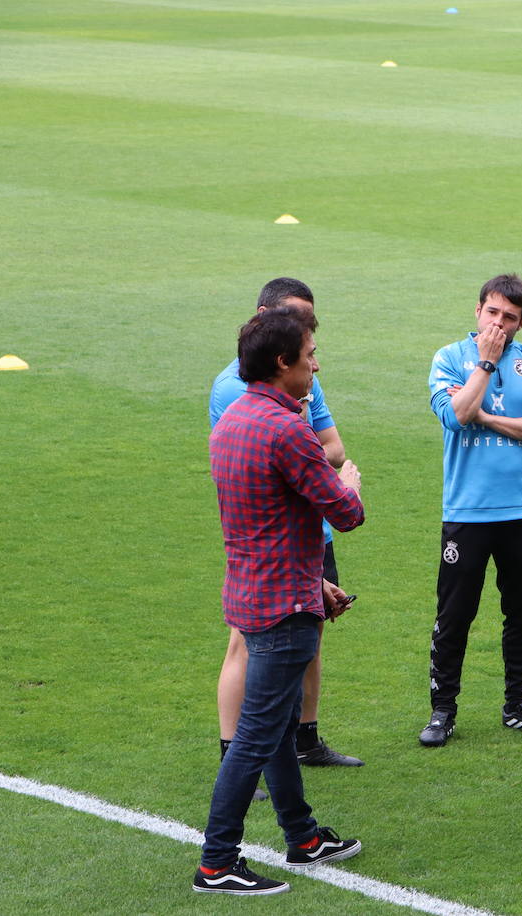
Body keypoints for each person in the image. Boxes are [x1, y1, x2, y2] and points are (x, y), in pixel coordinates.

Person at [195, 307, 365, 895]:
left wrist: (315, 582)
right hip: (284, 609)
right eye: (309, 353)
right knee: (258, 736)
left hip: (252, 591)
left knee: (277, 725)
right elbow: (346, 515)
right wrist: (349, 482)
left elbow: (258, 524)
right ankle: (217, 862)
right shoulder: (289, 429)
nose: (316, 363)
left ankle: (303, 836)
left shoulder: (232, 421)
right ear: (282, 363)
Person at [209, 278, 363, 778]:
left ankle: (304, 741)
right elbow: (316, 459)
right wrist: (335, 482)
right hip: (267, 545)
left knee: (310, 636)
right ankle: (234, 757)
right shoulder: (237, 390)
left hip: (308, 539)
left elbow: (332, 446)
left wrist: (311, 457)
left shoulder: (303, 378)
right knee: (248, 650)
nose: (308, 338)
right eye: (296, 321)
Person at [420, 274, 522, 747]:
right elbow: (456, 414)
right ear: (477, 310)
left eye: (510, 317)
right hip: (468, 512)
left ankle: (517, 703)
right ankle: (443, 711)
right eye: (493, 312)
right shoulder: (449, 358)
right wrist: (485, 362)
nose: (499, 323)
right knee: (455, 613)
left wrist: (487, 417)